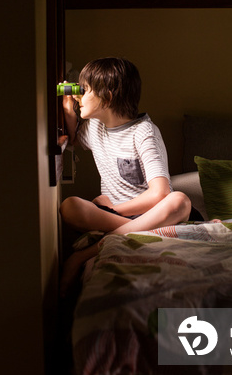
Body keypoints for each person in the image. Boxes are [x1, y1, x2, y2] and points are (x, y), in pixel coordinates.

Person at [59, 57, 202, 295]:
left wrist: (114, 210)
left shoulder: (143, 131)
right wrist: (67, 108)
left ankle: (83, 255)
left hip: (149, 211)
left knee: (180, 201)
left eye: (84, 90)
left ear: (108, 97)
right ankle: (152, 231)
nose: (78, 95)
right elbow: (74, 139)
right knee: (70, 206)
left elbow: (160, 193)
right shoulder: (95, 127)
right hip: (131, 218)